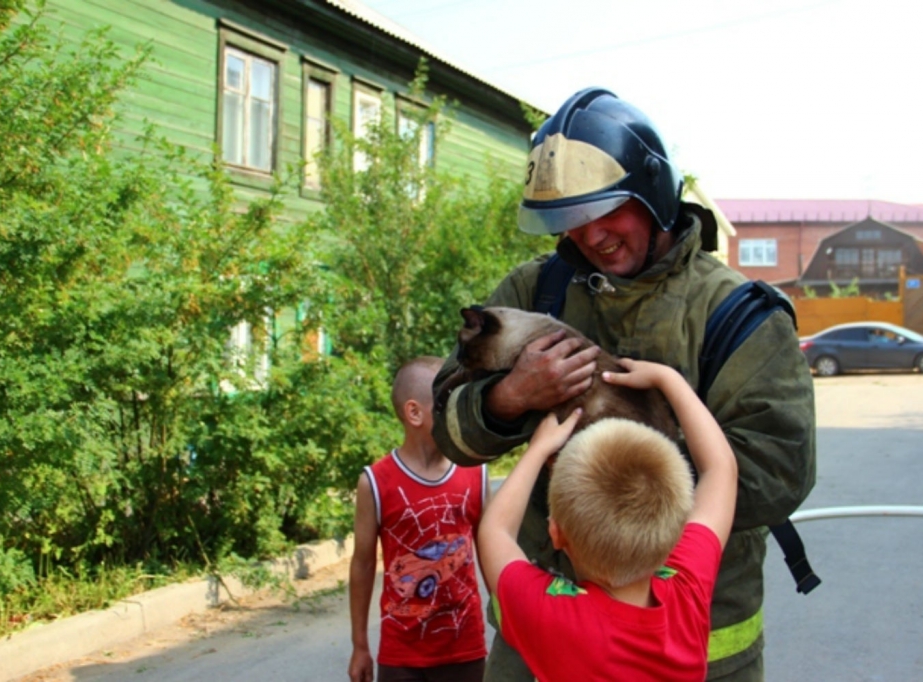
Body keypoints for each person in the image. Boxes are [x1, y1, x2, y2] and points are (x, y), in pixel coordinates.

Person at [432, 87, 817, 681]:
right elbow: (447, 428)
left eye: (607, 211)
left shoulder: (739, 315)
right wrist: (511, 397)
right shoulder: (534, 294)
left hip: (704, 650)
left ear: (654, 193)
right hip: (536, 655)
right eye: (572, 221)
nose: (590, 236)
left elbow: (777, 471)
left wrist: (612, 476)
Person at [478, 358, 738, 681]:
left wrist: (539, 449)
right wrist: (668, 379)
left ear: (556, 533)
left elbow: (494, 531)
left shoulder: (552, 617)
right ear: (675, 533)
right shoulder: (686, 589)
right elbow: (721, 469)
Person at [349, 356, 489, 682]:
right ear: (414, 413)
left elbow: (490, 552)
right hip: (401, 655)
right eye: (447, 403)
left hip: (465, 648)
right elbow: (363, 564)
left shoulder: (475, 473)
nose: (457, 413)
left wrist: (509, 616)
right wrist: (359, 646)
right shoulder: (375, 482)